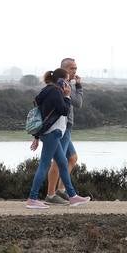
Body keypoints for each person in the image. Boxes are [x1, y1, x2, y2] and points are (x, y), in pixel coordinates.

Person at [25, 68, 91, 209]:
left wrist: (37, 136)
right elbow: (63, 110)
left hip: (51, 132)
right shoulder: (55, 91)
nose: (68, 82)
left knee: (62, 163)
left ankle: (73, 197)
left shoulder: (48, 90)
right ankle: (32, 198)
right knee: (44, 164)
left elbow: (44, 114)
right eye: (67, 79)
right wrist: (67, 96)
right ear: (60, 80)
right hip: (52, 133)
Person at [44, 56, 82, 204]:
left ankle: (61, 191)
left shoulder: (63, 83)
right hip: (62, 128)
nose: (75, 71)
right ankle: (51, 195)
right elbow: (78, 103)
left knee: (72, 158)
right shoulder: (64, 85)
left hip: (66, 127)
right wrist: (79, 86)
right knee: (58, 161)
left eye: (76, 68)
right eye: (72, 68)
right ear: (65, 69)